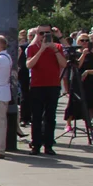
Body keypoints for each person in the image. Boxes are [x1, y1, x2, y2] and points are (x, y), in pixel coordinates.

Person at [25, 25, 67, 155]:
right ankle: (36, 144)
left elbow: (64, 64)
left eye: (47, 33)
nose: (44, 36)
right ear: (37, 34)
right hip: (37, 85)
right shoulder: (32, 47)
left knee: (50, 116)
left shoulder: (57, 47)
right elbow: (29, 65)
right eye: (41, 33)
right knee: (36, 116)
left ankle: (48, 145)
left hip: (53, 85)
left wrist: (54, 49)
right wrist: (42, 49)